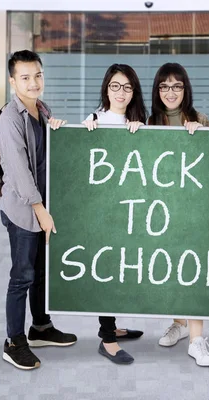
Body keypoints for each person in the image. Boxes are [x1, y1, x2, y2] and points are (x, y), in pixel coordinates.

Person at [0, 50, 77, 370]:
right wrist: (40, 210)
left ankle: (40, 327)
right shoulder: (10, 119)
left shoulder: (42, 110)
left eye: (38, 76)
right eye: (25, 77)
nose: (33, 83)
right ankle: (14, 341)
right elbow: (18, 173)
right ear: (12, 80)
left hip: (43, 206)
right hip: (23, 210)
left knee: (42, 271)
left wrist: (58, 131)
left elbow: (47, 157)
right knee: (22, 275)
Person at [148, 62, 209, 367]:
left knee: (192, 267)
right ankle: (179, 322)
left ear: (185, 89)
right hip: (161, 207)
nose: (170, 92)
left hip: (192, 208)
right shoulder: (150, 121)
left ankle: (197, 340)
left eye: (176, 86)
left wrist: (203, 132)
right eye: (164, 86)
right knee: (169, 265)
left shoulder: (199, 119)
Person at [82, 63, 146, 364]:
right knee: (106, 270)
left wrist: (142, 133)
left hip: (132, 211)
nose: (121, 92)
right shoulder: (93, 120)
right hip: (103, 213)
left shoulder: (140, 122)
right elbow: (77, 160)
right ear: (106, 88)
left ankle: (113, 327)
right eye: (115, 86)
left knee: (124, 268)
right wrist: (84, 133)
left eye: (128, 87)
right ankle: (107, 339)